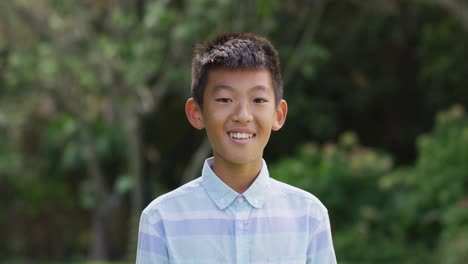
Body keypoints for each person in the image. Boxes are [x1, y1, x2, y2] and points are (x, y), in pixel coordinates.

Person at [136, 32, 337, 264]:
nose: (243, 116)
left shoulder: (309, 216)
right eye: (225, 100)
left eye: (258, 100)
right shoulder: (161, 219)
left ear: (278, 114)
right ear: (197, 113)